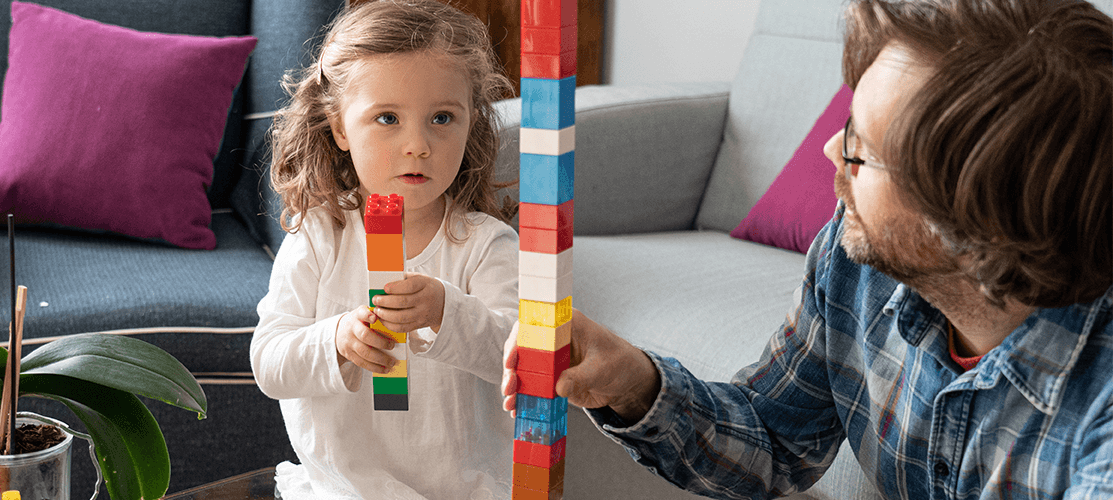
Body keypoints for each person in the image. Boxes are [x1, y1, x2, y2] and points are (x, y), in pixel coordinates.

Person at [501, 0, 1113, 498]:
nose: (829, 155)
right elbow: (772, 435)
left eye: (861, 151)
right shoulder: (854, 267)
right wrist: (633, 383)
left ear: (980, 215)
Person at [250, 1, 520, 497]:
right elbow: (269, 362)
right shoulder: (319, 236)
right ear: (339, 129)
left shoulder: (485, 245)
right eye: (387, 118)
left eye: (442, 117)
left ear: (470, 124)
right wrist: (337, 339)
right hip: (344, 487)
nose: (417, 144)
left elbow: (518, 361)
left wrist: (447, 310)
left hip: (467, 489)